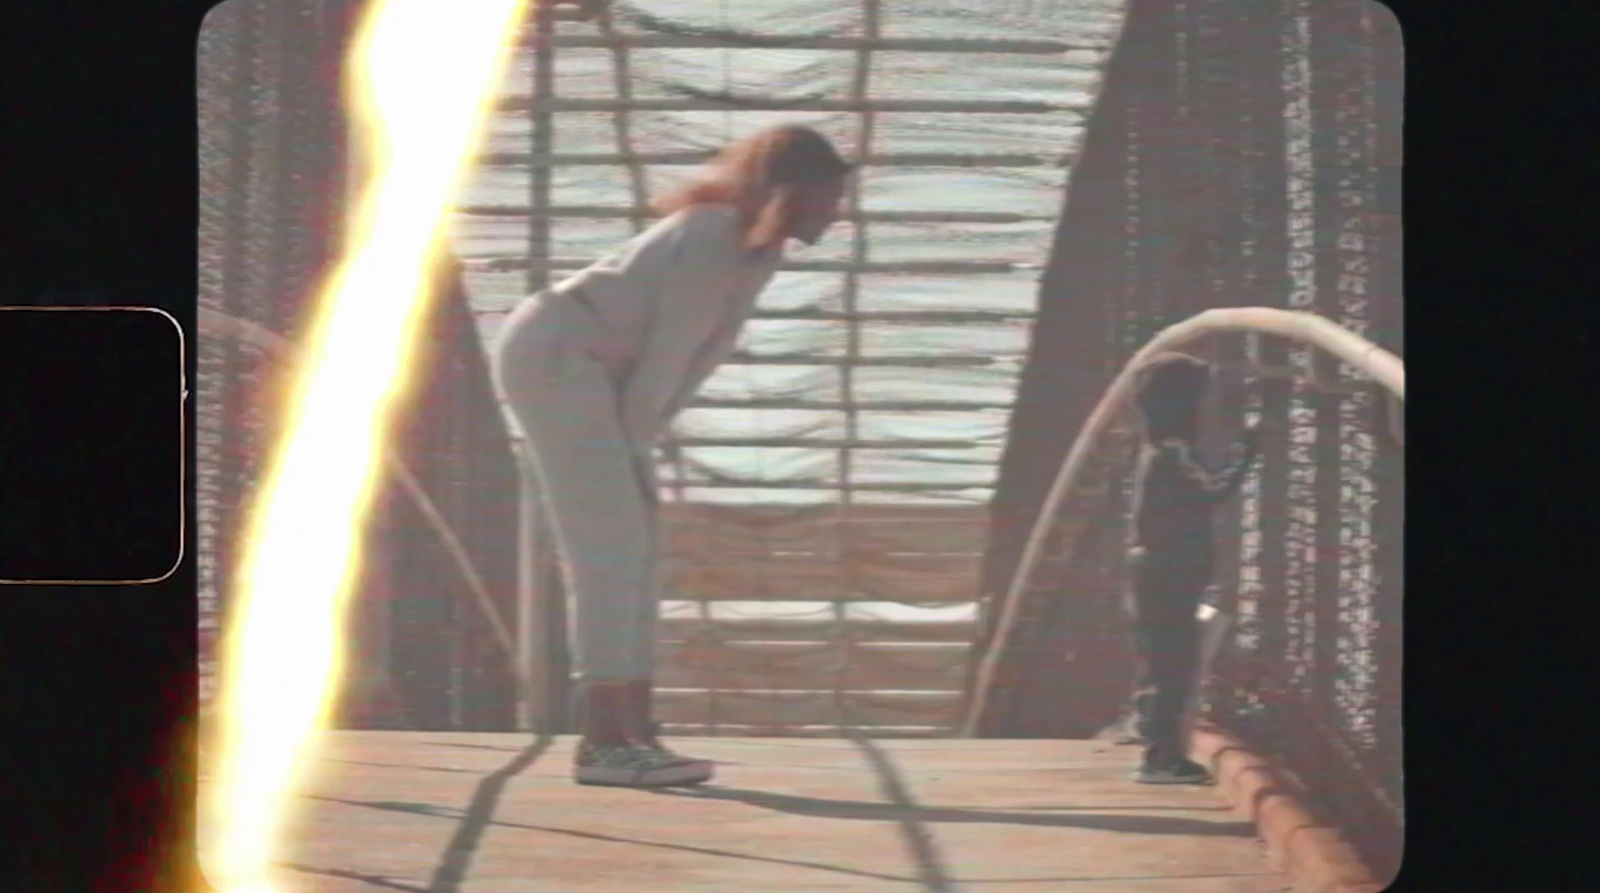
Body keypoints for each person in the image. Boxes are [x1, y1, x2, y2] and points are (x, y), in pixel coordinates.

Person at [491, 124, 851, 787]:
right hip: (560, 355)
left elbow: (696, 361)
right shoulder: (713, 236)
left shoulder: (756, 252)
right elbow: (666, 357)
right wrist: (635, 443)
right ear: (793, 192)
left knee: (635, 542)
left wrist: (640, 441)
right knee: (610, 545)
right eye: (830, 197)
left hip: (592, 368)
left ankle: (632, 725)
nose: (839, 212)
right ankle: (602, 740)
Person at [1120, 353, 1260, 784]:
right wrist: (1248, 448)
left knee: (1160, 658)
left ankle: (1152, 737)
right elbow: (1214, 488)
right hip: (1169, 574)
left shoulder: (1157, 450)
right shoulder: (1174, 452)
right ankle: (1161, 757)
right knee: (1173, 662)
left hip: (1155, 572)